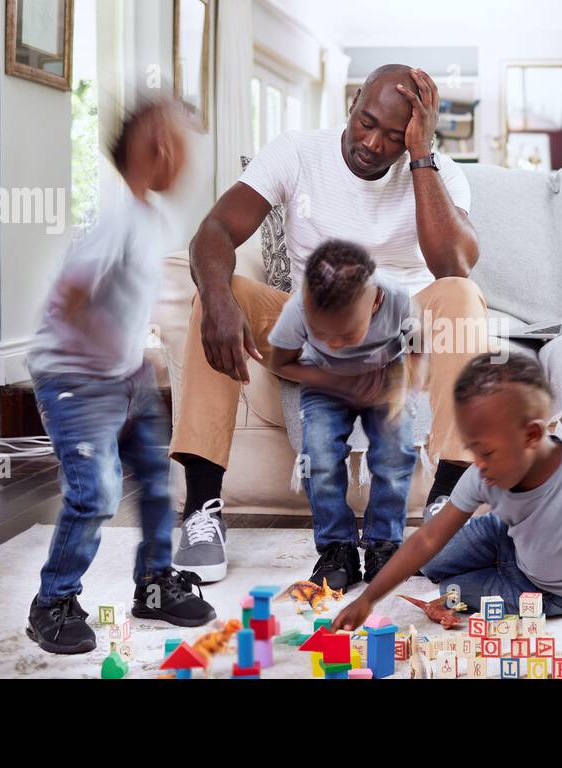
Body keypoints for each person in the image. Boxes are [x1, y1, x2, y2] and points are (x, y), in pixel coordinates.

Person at [169, 64, 491, 583]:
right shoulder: (297, 152)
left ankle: (446, 504)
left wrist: (421, 158)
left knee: (462, 295)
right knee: (216, 294)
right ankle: (202, 511)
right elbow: (214, 230)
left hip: (400, 330)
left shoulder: (439, 172)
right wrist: (217, 297)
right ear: (352, 102)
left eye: (392, 136)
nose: (371, 143)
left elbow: (453, 266)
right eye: (366, 121)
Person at [25, 99, 216, 655]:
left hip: (123, 377)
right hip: (75, 379)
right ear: (155, 149)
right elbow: (69, 298)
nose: (187, 163)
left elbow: (124, 301)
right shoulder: (114, 218)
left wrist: (134, 359)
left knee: (157, 482)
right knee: (97, 492)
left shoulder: (148, 218)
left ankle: (154, 583)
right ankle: (52, 601)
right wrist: (110, 355)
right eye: (182, 147)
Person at [332, 353, 562, 679]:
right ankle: (474, 545)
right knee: (431, 561)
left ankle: (481, 571)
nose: (477, 463)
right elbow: (428, 538)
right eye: (472, 451)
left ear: (531, 436)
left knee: (451, 592)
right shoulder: (487, 470)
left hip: (554, 591)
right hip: (506, 537)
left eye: (486, 452)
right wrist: (368, 600)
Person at [268, 239, 418, 588]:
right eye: (323, 334)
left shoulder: (397, 298)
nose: (335, 344)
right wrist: (334, 378)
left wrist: (400, 389)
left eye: (347, 333)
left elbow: (417, 351)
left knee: (395, 453)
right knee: (318, 457)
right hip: (323, 383)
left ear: (376, 300)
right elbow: (281, 363)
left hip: (383, 378)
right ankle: (338, 548)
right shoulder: (297, 309)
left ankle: (385, 544)